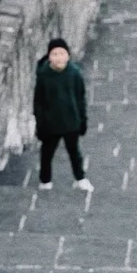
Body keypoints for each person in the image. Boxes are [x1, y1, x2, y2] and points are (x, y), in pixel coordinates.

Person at [33, 37, 93, 192]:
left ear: (67, 56)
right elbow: (38, 102)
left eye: (62, 53)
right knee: (47, 154)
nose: (59, 57)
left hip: (71, 121)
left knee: (74, 152)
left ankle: (80, 178)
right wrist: (40, 125)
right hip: (50, 124)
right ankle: (45, 181)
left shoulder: (74, 73)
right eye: (55, 54)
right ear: (49, 57)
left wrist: (83, 120)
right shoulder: (44, 75)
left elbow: (80, 99)